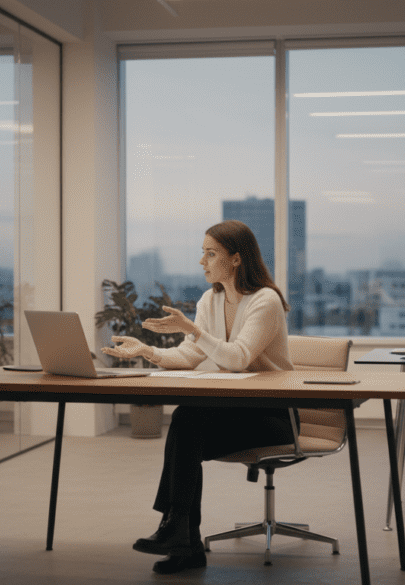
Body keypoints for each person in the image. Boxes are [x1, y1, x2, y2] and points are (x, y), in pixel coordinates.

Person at [102, 219, 295, 574]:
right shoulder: (212, 298)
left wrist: (191, 329)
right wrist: (147, 352)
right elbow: (191, 355)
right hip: (232, 411)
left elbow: (237, 358)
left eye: (211, 254)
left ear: (236, 259)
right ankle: (179, 535)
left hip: (273, 417)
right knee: (187, 423)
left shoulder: (265, 301)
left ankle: (182, 540)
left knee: (187, 424)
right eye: (202, 253)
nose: (202, 262)